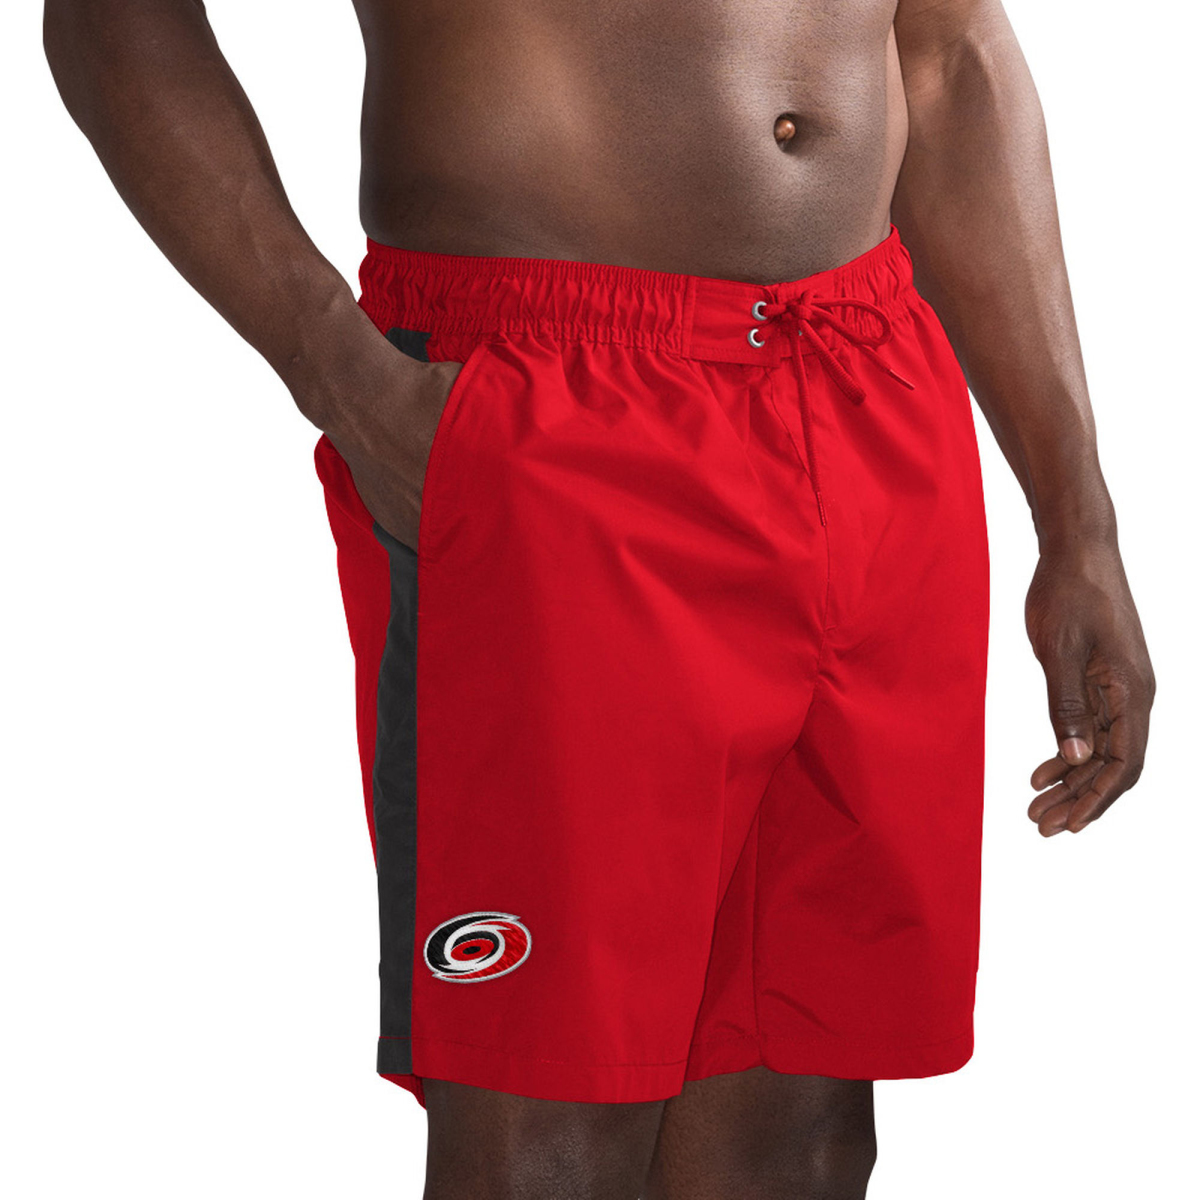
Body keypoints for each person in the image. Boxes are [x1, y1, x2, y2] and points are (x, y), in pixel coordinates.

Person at [44, 1, 1155, 1196]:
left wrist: (1076, 517)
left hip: (865, 387)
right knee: (547, 1136)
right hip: (555, 405)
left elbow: (947, 53)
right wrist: (339, 372)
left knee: (803, 1136)